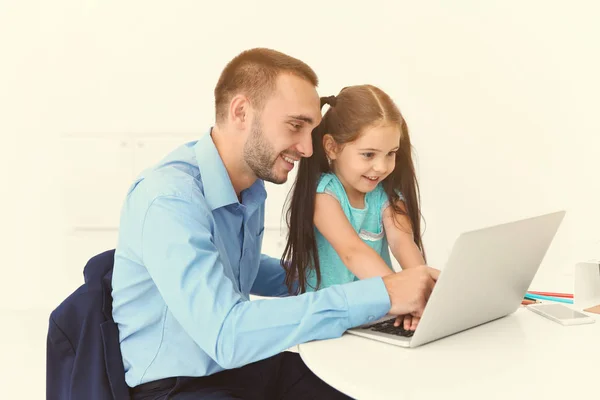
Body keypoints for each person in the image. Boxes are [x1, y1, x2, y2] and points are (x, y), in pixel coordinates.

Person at [111, 48, 439, 399]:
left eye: (311, 130)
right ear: (241, 112)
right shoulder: (169, 200)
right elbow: (227, 335)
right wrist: (382, 294)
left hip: (239, 370)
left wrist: (313, 275)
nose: (308, 149)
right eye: (296, 126)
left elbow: (239, 271)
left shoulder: (250, 189)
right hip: (178, 387)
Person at [283, 85, 435, 331]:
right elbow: (352, 251)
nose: (381, 167)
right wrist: (402, 294)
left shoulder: (386, 195)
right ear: (332, 147)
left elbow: (403, 243)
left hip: (375, 314)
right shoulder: (324, 196)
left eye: (391, 154)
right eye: (368, 154)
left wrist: (424, 295)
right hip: (330, 320)